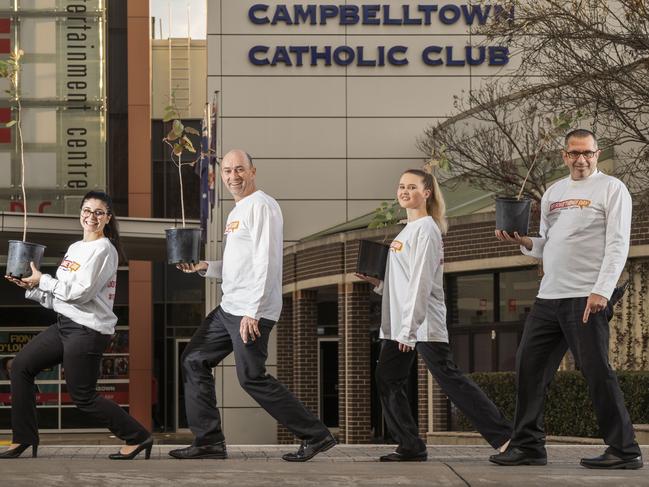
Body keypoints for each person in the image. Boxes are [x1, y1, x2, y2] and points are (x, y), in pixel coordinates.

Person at [490, 129, 642, 469]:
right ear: (564, 156)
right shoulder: (553, 192)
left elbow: (618, 244)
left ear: (597, 154)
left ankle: (624, 450)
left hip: (586, 297)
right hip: (549, 297)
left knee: (596, 371)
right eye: (574, 153)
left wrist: (602, 289)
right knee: (529, 368)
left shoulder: (611, 189)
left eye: (587, 153)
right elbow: (547, 242)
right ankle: (528, 446)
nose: (581, 159)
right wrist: (524, 241)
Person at [169, 149, 335, 462]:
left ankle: (316, 434)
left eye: (240, 170)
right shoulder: (237, 212)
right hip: (229, 307)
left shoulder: (262, 206)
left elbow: (267, 261)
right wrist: (206, 266)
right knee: (193, 360)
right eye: (228, 171)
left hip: (250, 310)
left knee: (251, 377)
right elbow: (239, 263)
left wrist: (253, 311)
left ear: (253, 171)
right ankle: (208, 442)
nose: (234, 176)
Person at [357, 168, 512, 461]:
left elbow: (422, 281)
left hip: (421, 323)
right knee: (387, 378)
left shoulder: (427, 229)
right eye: (401, 186)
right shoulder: (408, 229)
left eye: (411, 187)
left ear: (426, 193)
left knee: (451, 380)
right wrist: (379, 285)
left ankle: (505, 438)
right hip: (400, 323)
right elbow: (404, 280)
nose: (404, 191)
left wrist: (410, 329)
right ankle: (410, 445)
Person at [1, 191, 152, 460]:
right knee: (21, 366)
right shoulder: (75, 248)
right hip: (66, 324)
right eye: (86, 210)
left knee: (83, 396)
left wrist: (42, 280)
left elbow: (80, 293)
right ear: (80, 213)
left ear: (107, 218)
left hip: (88, 330)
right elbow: (61, 296)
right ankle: (23, 438)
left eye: (98, 212)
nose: (91, 216)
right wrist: (32, 287)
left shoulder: (105, 250)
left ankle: (138, 436)